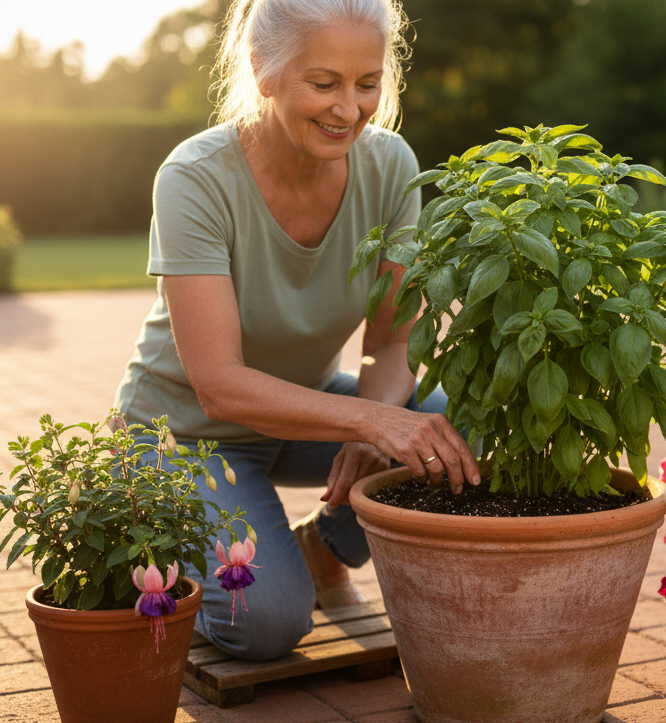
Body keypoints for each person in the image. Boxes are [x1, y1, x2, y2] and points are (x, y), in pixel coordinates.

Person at [112, 0, 480, 661]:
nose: (350, 109)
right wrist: (368, 422)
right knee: (268, 624)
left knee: (467, 431)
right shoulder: (196, 178)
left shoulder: (391, 165)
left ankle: (324, 545)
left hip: (308, 412)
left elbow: (394, 340)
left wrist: (377, 414)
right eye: (324, 83)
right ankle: (147, 567)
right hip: (187, 436)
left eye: (367, 83)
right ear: (264, 71)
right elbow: (219, 387)